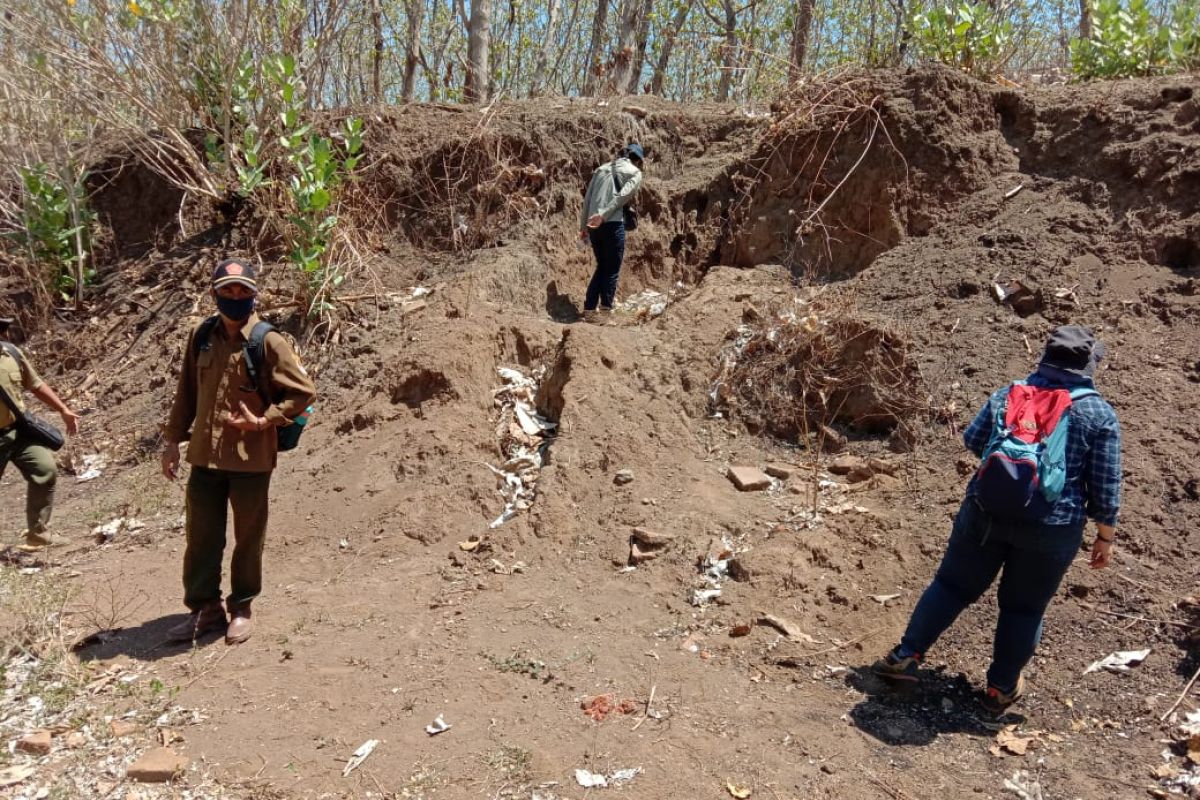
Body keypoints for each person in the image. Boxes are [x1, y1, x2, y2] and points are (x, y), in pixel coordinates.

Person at [873, 326, 1122, 713]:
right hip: (1052, 529)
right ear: (1088, 367)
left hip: (985, 511)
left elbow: (973, 440)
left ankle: (905, 656)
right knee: (1023, 609)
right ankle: (1000, 689)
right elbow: (1105, 487)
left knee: (951, 585)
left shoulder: (1011, 393)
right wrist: (1104, 536)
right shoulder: (1098, 414)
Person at [161, 260, 316, 645]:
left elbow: (303, 392)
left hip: (250, 459)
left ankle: (242, 606)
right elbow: (187, 394)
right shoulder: (201, 336)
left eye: (242, 290)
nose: (235, 297)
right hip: (205, 458)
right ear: (214, 292)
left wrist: (265, 421)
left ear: (254, 294)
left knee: (249, 535)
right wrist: (171, 442)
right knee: (201, 536)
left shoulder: (267, 340)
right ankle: (205, 609)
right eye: (227, 290)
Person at [0, 316, 80, 551]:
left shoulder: (11, 354)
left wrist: (63, 409)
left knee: (44, 469)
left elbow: (35, 384)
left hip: (18, 431)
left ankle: (38, 533)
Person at [578, 143, 644, 322]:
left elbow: (587, 200)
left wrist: (583, 228)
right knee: (612, 268)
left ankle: (589, 310)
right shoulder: (635, 173)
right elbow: (622, 196)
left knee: (602, 266)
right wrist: (604, 215)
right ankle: (606, 311)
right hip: (611, 223)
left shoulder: (601, 169)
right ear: (637, 160)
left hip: (593, 225)